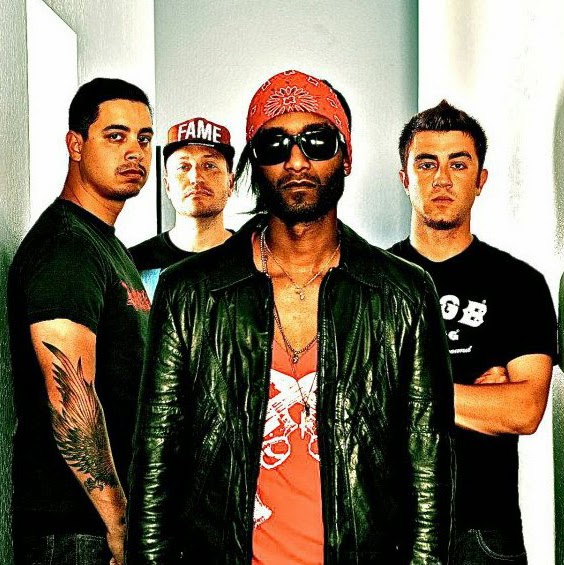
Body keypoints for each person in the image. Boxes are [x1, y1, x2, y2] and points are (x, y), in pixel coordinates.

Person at [126, 69, 455, 564]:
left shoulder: (403, 295)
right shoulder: (189, 293)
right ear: (254, 165)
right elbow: (155, 464)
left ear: (346, 157)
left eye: (317, 142)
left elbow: (428, 469)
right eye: (274, 145)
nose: (297, 160)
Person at [389, 100, 557, 564]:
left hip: (484, 531)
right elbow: (347, 399)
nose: (442, 178)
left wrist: (402, 389)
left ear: (480, 180)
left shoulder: (519, 284)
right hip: (388, 526)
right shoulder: (374, 282)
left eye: (458, 164)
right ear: (405, 178)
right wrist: (478, 398)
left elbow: (524, 410)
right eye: (427, 164)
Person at [8, 78, 154, 565]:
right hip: (74, 533)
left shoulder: (107, 247)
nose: (134, 151)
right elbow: (69, 398)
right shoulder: (67, 248)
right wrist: (118, 520)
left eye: (143, 138)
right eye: (115, 136)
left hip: (93, 529)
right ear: (76, 144)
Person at [129, 116, 235, 300]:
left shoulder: (256, 259)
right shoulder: (132, 264)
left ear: (231, 183)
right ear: (167, 185)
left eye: (209, 165)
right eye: (183, 167)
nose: (196, 177)